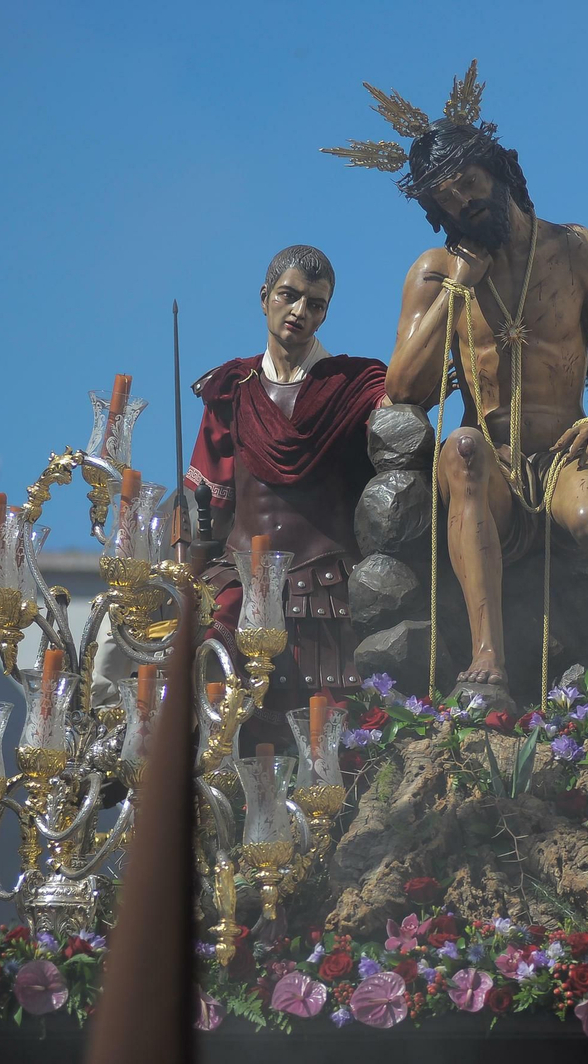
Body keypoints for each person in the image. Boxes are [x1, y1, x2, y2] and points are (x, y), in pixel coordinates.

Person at [326, 64, 588, 708]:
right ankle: (488, 663)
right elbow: (404, 387)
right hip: (491, 465)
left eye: (469, 183)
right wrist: (456, 293)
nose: (462, 203)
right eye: (444, 199)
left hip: (569, 452)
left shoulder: (579, 250)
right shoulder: (435, 271)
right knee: (460, 450)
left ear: (500, 172)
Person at [183, 244, 388, 738]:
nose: (300, 311)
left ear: (326, 312)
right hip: (238, 581)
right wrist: (180, 590)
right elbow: (204, 504)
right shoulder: (231, 387)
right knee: (211, 714)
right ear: (264, 297)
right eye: (289, 295)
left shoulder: (356, 386)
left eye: (315, 304)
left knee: (330, 744)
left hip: (326, 587)